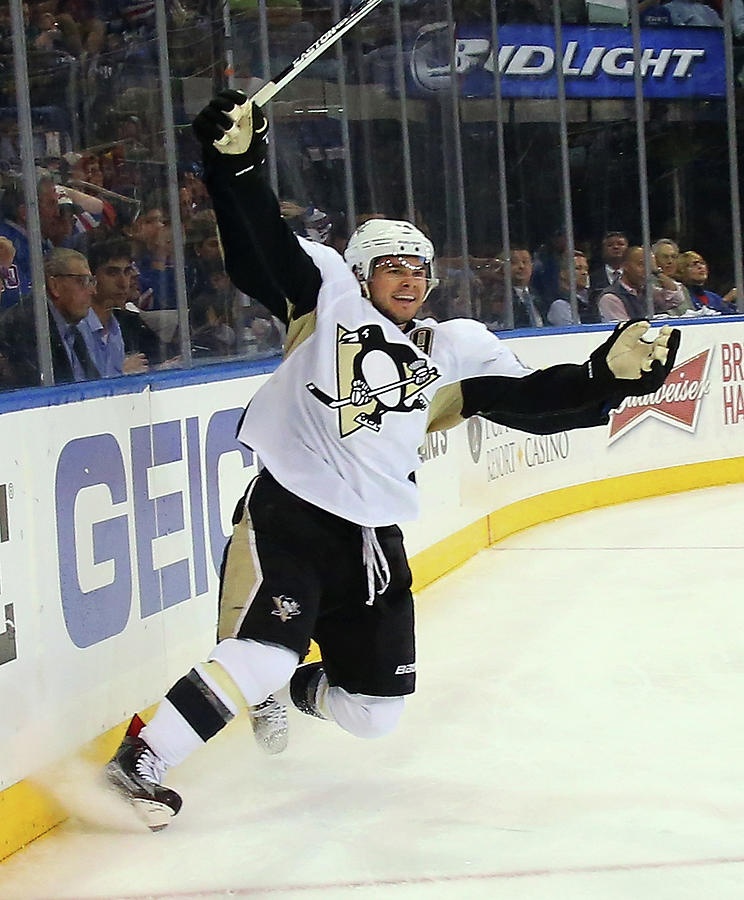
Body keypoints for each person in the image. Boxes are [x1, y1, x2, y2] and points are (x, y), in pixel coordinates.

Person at [104, 91, 680, 831]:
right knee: (261, 653)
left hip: (375, 541)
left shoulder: (453, 347)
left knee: (375, 714)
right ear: (363, 271)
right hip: (292, 516)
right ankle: (142, 758)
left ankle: (291, 687)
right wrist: (236, 166)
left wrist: (607, 381)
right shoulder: (327, 299)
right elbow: (259, 249)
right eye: (392, 266)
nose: (408, 279)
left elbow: (529, 400)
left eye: (418, 268)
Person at [0, 247, 99, 388]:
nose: (93, 291)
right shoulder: (24, 329)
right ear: (54, 285)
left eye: (91, 282)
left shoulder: (71, 328)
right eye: (82, 281)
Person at [78, 238, 149, 376]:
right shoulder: (77, 330)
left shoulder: (116, 327)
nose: (123, 283)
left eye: (127, 272)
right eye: (112, 273)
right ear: (91, 279)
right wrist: (119, 373)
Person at [597, 245, 686, 323]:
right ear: (625, 266)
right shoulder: (611, 298)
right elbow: (624, 332)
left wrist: (656, 271)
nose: (647, 271)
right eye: (641, 264)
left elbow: (676, 298)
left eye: (649, 266)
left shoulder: (647, 291)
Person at [676, 251, 738, 315]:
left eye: (702, 263)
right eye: (694, 264)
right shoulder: (679, 298)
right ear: (681, 271)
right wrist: (726, 300)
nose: (700, 267)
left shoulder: (713, 297)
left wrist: (727, 301)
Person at [546, 250, 597, 326]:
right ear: (563, 273)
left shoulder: (593, 298)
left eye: (586, 269)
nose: (584, 272)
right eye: (578, 268)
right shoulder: (560, 305)